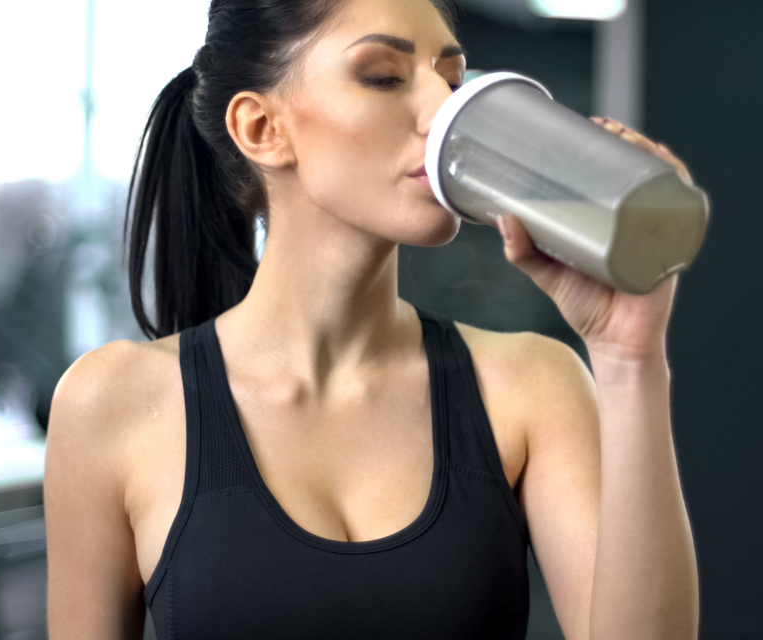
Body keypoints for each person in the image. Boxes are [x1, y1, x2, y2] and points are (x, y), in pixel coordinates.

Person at [43, 0, 699, 637]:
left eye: (451, 77)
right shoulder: (112, 406)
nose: (443, 112)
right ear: (261, 129)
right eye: (384, 77)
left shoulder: (532, 387)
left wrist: (629, 357)